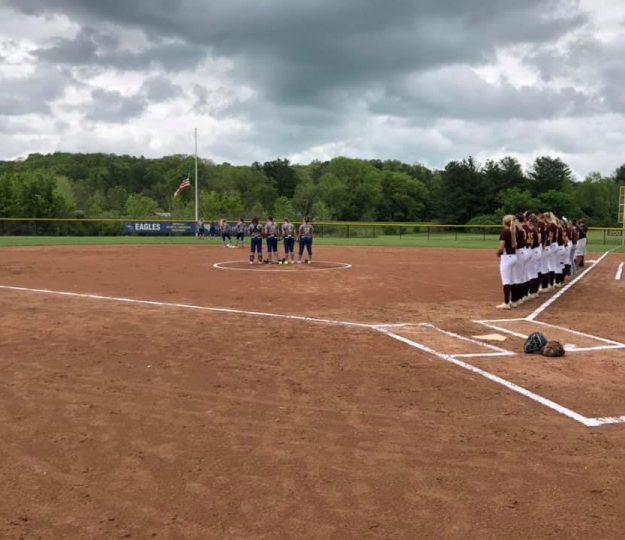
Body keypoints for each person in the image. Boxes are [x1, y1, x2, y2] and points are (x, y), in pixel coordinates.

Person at [496, 214, 518, 309]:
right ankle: (514, 301)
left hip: (506, 257)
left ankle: (506, 303)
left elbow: (501, 247)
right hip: (514, 256)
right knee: (513, 280)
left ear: (504, 222)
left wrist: (498, 252)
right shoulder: (513, 231)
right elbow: (515, 245)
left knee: (506, 281)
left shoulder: (504, 232)